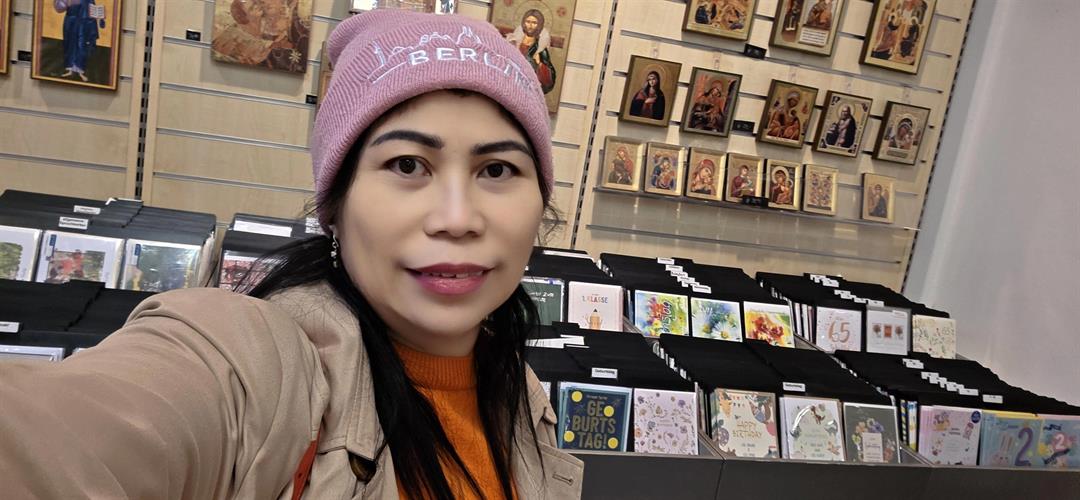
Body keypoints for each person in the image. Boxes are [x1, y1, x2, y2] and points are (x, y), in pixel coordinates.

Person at [0, 11, 583, 500]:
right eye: (407, 164)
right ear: (336, 203)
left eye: (497, 169)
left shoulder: (523, 398)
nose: (457, 218)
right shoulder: (251, 366)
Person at [504, 9, 557, 94]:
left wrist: (540, 64)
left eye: (534, 23)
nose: (530, 25)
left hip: (526, 91)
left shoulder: (540, 49)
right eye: (528, 22)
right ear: (523, 22)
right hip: (509, 84)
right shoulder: (514, 42)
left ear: (539, 25)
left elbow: (549, 82)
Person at [56, 0, 105, 82]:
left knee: (81, 46)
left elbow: (92, 9)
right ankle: (70, 69)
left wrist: (100, 17)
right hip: (71, 22)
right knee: (69, 45)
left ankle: (80, 71)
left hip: (83, 24)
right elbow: (60, 7)